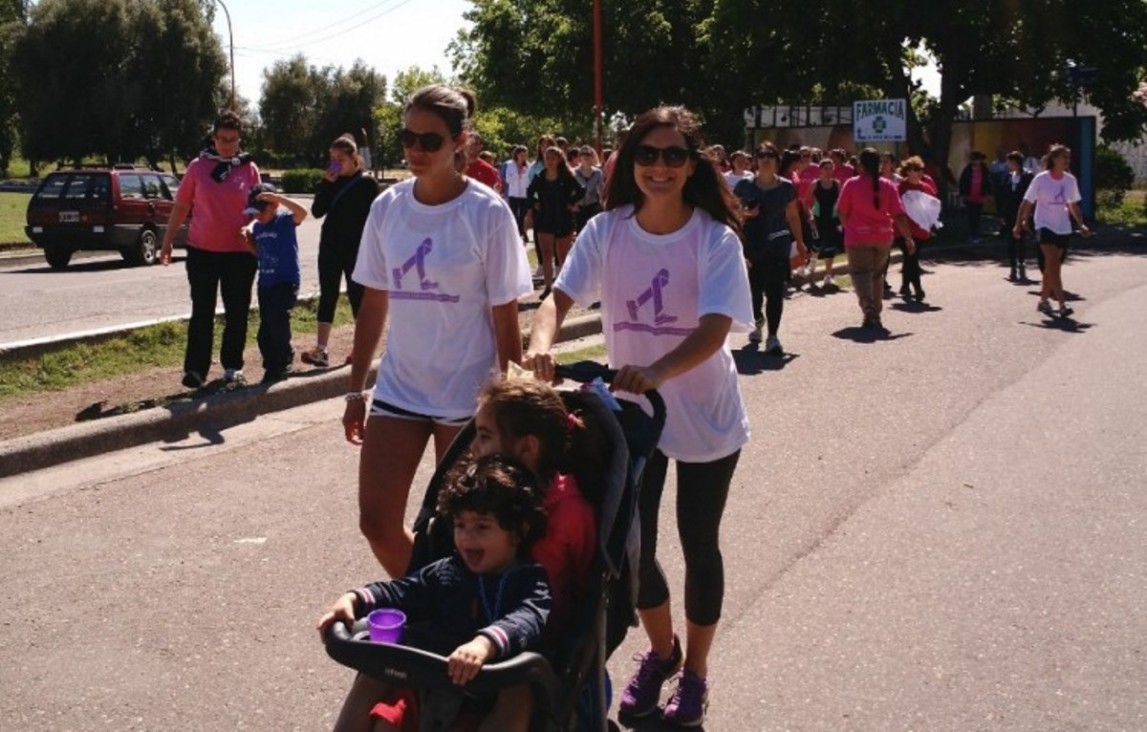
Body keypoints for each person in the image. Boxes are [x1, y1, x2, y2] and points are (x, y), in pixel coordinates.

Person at [524, 105, 753, 728]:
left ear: (690, 165)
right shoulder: (607, 231)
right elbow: (559, 298)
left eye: (673, 156)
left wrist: (655, 371)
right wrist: (542, 342)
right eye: (648, 154)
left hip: (704, 414)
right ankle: (662, 652)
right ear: (630, 162)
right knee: (632, 552)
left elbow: (713, 330)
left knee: (698, 543)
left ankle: (697, 674)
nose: (659, 166)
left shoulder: (713, 238)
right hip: (632, 417)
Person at [343, 85, 533, 578]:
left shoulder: (487, 213)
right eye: (408, 138)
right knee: (376, 523)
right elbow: (373, 302)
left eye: (430, 141)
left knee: (464, 531)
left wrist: (509, 405)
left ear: (459, 142)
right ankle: (430, 600)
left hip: (466, 400)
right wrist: (354, 389)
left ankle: (466, 619)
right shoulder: (388, 207)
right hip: (400, 390)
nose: (415, 151)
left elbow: (505, 317)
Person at [319, 455, 550, 732]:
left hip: (488, 694)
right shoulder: (446, 572)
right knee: (378, 677)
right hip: (431, 682)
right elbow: (402, 592)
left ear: (519, 531)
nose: (466, 538)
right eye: (460, 525)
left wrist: (484, 644)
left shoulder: (529, 580)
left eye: (482, 527)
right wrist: (353, 599)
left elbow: (527, 618)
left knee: (519, 691)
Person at [470, 378, 598, 642]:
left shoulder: (570, 513)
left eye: (484, 437)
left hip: (537, 645)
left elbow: (588, 592)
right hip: (473, 632)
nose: (472, 449)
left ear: (528, 447)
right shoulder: (475, 495)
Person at [160, 111, 261, 389]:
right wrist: (167, 240)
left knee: (237, 311)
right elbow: (182, 206)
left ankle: (232, 367)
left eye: (233, 140)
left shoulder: (248, 168)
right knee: (202, 310)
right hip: (201, 251)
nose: (228, 145)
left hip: (240, 254)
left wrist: (252, 229)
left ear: (240, 140)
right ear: (213, 138)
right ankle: (195, 369)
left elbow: (259, 208)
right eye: (222, 139)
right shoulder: (197, 167)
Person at [302, 134, 381, 369]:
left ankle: (360, 349)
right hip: (330, 246)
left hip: (356, 248)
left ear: (353, 157)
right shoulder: (331, 181)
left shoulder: (366, 183)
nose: (335, 163)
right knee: (328, 294)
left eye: (340, 158)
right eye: (332, 158)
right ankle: (321, 349)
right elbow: (317, 211)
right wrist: (326, 184)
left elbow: (373, 218)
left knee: (357, 296)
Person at [734, 143, 808, 355]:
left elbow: (793, 216)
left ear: (776, 161)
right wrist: (746, 214)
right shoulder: (744, 186)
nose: (765, 159)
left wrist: (800, 242)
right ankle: (757, 320)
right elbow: (732, 212)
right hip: (751, 245)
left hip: (777, 244)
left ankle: (773, 337)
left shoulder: (786, 187)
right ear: (755, 160)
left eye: (770, 155)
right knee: (753, 293)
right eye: (761, 155)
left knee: (775, 291)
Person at [836, 147, 915, 330]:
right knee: (877, 275)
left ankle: (868, 308)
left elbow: (841, 211)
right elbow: (899, 215)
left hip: (857, 236)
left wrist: (848, 225)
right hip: (883, 236)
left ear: (861, 165)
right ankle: (875, 314)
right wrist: (908, 238)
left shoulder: (852, 184)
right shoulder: (888, 185)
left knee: (860, 273)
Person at [1012, 143, 1090, 318]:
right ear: (1054, 159)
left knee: (1051, 267)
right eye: (1064, 157)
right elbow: (1027, 203)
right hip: (1044, 225)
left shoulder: (1070, 180)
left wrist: (1081, 224)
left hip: (1063, 227)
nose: (1067, 161)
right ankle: (1062, 304)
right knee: (1053, 262)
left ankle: (1043, 301)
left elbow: (1073, 205)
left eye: (1068, 158)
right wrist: (1018, 223)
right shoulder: (1041, 179)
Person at [240, 184, 308, 384]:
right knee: (265, 330)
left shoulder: (284, 221)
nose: (258, 216)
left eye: (262, 212)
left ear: (275, 206)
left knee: (278, 321)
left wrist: (279, 196)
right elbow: (260, 254)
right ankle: (272, 362)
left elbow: (302, 212)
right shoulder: (258, 227)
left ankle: (279, 363)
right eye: (254, 213)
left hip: (286, 281)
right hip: (266, 282)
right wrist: (249, 242)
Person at [526, 146, 583, 299]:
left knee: (562, 255)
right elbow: (529, 192)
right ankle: (548, 286)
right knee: (546, 254)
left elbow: (580, 190)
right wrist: (534, 203)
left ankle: (563, 286)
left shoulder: (567, 177)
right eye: (547, 158)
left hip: (563, 217)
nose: (549, 161)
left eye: (552, 158)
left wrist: (570, 203)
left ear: (559, 160)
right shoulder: (540, 177)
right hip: (545, 218)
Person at [896, 156, 938, 302]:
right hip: (903, 229)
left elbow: (932, 208)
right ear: (907, 171)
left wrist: (931, 223)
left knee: (911, 258)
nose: (918, 173)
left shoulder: (926, 188)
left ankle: (905, 285)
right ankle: (918, 288)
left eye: (920, 170)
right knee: (911, 257)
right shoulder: (900, 188)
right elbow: (895, 208)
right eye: (914, 170)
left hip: (920, 230)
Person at [995, 151, 1034, 281]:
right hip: (1009, 212)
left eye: (1011, 161)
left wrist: (1029, 213)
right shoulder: (1007, 176)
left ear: (1017, 162)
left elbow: (1031, 195)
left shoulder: (1028, 176)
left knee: (1021, 237)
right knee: (1010, 239)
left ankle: (1021, 262)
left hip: (1023, 211)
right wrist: (1000, 213)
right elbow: (1002, 196)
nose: (1008, 164)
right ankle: (1012, 266)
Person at [807, 158, 843, 288]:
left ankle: (828, 276)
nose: (828, 171)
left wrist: (841, 218)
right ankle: (813, 261)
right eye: (825, 168)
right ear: (820, 169)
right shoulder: (815, 184)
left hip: (832, 218)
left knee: (830, 246)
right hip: (818, 217)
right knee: (817, 243)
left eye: (830, 168)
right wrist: (810, 215)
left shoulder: (837, 184)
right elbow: (806, 201)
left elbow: (842, 200)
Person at [959, 150, 992, 242]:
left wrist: (988, 193)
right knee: (971, 216)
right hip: (969, 197)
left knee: (977, 216)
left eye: (978, 160)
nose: (976, 162)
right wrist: (962, 194)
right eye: (975, 160)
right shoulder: (967, 169)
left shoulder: (984, 169)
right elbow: (963, 182)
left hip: (980, 196)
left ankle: (976, 234)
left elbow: (988, 182)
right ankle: (972, 234)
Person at [502, 145, 532, 243]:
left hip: (524, 194)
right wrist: (517, 174)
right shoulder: (510, 165)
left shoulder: (528, 165)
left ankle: (521, 233)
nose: (524, 157)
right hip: (513, 193)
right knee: (514, 214)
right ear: (517, 155)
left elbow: (529, 180)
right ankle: (516, 233)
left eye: (525, 155)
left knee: (522, 215)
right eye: (522, 155)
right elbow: (508, 179)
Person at [573, 146, 604, 234]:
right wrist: (573, 205)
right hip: (578, 208)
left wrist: (602, 205)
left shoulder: (598, 173)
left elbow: (601, 190)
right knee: (580, 233)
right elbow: (570, 191)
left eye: (588, 154)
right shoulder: (573, 173)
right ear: (580, 157)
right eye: (583, 154)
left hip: (592, 207)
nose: (586, 156)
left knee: (593, 232)